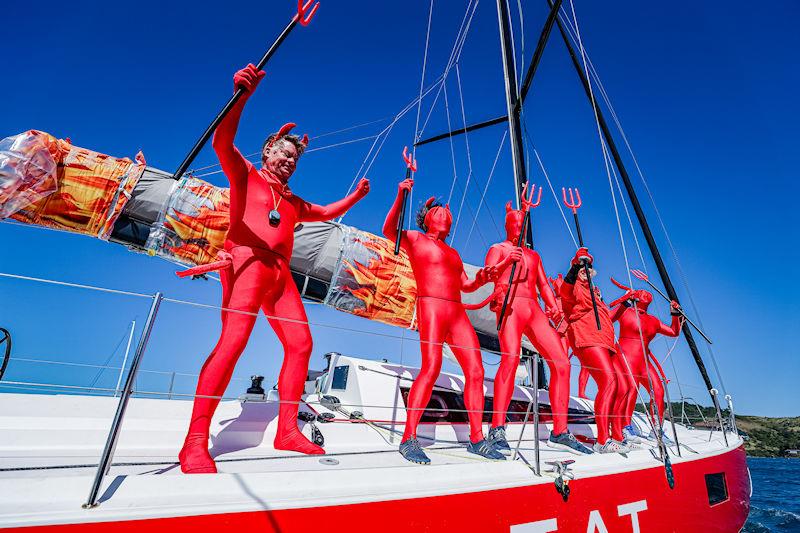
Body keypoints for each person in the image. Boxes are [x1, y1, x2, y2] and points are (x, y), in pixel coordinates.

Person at [178, 64, 370, 473]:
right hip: (247, 261)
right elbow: (223, 141)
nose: (288, 160)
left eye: (294, 157)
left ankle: (287, 430)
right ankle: (194, 442)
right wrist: (241, 95)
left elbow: (324, 212)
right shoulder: (246, 175)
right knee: (232, 343)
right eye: (282, 152)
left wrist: (354, 196)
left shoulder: (293, 203)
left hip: (280, 275)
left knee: (301, 345)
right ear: (266, 152)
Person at [383, 178, 507, 464]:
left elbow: (466, 285)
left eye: (447, 213)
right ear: (426, 218)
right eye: (439, 210)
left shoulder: (453, 253)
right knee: (432, 367)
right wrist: (402, 193)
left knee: (476, 371)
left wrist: (483, 278)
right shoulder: (414, 239)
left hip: (456, 312)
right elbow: (389, 230)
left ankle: (477, 438)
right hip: (431, 307)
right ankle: (408, 438)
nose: (445, 212)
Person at [482, 192, 592, 455]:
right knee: (510, 358)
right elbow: (489, 275)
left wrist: (555, 311)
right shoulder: (498, 249)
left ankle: (560, 430)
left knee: (562, 363)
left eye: (522, 224)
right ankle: (497, 428)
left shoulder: (533, 256)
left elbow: (544, 286)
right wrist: (503, 273)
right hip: (510, 306)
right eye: (514, 223)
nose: (518, 227)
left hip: (532, 308)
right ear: (508, 225)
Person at [559, 248, 629, 454]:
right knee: (608, 383)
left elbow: (609, 316)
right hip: (588, 338)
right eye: (582, 266)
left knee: (622, 387)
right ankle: (602, 440)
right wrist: (575, 267)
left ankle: (618, 436)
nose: (586, 269)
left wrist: (624, 303)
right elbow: (565, 291)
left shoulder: (595, 293)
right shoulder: (573, 288)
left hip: (606, 340)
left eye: (588, 266)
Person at [608, 279, 682, 443]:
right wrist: (624, 301)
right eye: (640, 292)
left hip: (644, 362)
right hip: (625, 358)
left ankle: (657, 429)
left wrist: (675, 314)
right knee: (630, 391)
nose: (645, 293)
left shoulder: (653, 320)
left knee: (658, 390)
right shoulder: (626, 312)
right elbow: (609, 318)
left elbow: (674, 332)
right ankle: (624, 427)